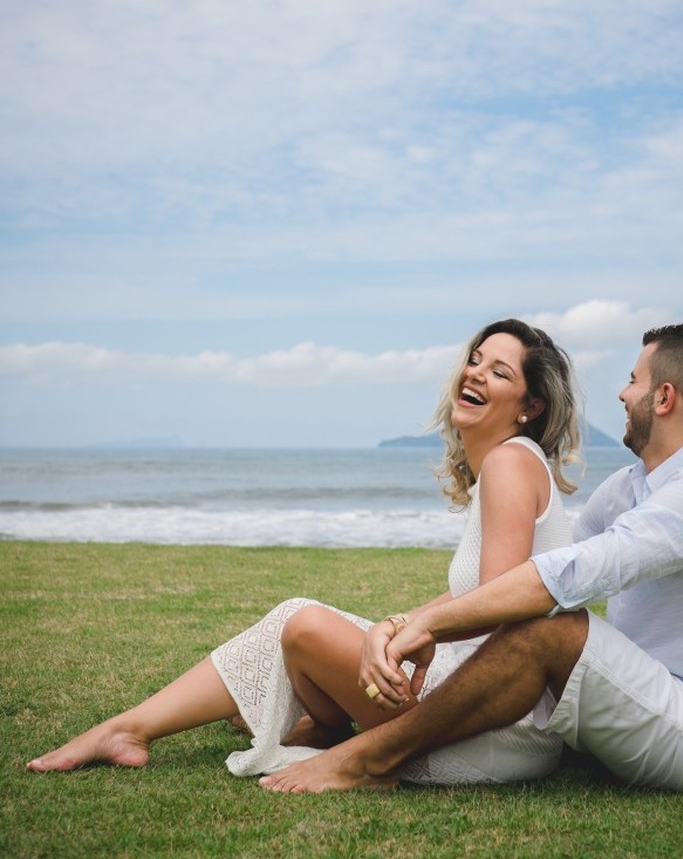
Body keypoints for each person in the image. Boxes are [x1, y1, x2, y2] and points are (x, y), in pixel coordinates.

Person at [27, 318, 582, 785]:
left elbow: (498, 601)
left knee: (301, 623)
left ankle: (131, 728)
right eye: (477, 359)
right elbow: (473, 593)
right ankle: (283, 725)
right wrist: (404, 624)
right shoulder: (506, 466)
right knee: (304, 635)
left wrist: (399, 628)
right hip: (482, 714)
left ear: (529, 404)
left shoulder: (511, 461)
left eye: (499, 371)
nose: (476, 373)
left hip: (490, 731)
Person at [260, 323, 683, 795]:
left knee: (551, 627)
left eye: (633, 380)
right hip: (646, 699)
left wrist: (425, 624)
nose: (622, 393)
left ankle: (372, 757)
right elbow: (540, 564)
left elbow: (568, 577)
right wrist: (402, 623)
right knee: (539, 611)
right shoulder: (631, 487)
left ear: (664, 398)